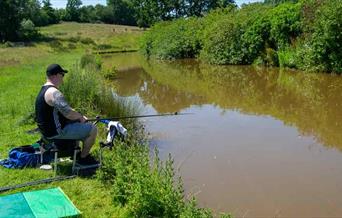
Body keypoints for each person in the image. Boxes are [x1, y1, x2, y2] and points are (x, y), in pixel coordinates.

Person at [35, 64, 98, 165]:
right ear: (55, 75)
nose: (63, 77)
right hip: (56, 132)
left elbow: (65, 112)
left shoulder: (44, 90)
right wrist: (81, 117)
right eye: (62, 74)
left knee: (78, 122)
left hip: (47, 131)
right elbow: (68, 113)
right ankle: (83, 158)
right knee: (93, 129)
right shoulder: (53, 92)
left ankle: (76, 153)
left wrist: (78, 118)